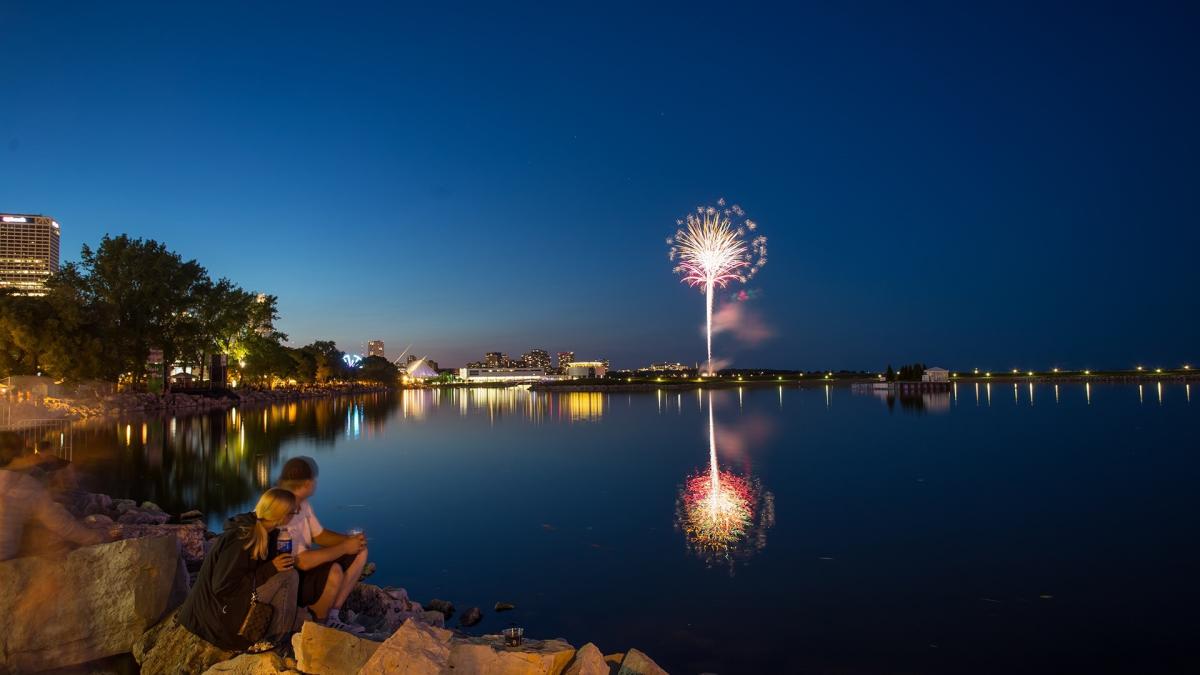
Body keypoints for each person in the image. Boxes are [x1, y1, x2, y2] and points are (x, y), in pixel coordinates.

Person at [177, 488, 302, 652]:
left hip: (229, 603)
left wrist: (276, 562)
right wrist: (271, 568)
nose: (295, 515)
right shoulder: (241, 538)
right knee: (289, 577)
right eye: (294, 512)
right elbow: (222, 586)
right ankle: (276, 642)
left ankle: (275, 636)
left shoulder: (266, 532)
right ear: (282, 515)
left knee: (287, 574)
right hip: (215, 618)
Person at [277, 456, 367, 633]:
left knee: (360, 551)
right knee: (334, 571)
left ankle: (333, 615)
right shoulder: (282, 506)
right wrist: (343, 547)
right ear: (307, 483)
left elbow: (319, 535)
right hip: (288, 578)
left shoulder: (302, 503)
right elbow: (301, 561)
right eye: (313, 480)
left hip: (302, 567)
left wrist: (349, 541)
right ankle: (319, 623)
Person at [0, 431, 113, 562]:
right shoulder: (26, 486)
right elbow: (63, 526)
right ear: (20, 454)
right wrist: (100, 538)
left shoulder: (28, 481)